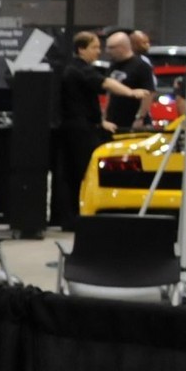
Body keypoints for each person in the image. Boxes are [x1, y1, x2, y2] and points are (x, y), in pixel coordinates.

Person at [50, 30, 114, 230]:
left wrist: (101, 121)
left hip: (79, 126)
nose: (99, 51)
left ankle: (72, 217)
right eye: (95, 47)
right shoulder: (78, 70)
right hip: (78, 130)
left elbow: (85, 101)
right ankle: (74, 218)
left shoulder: (75, 70)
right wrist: (131, 92)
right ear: (81, 49)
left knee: (72, 173)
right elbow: (103, 84)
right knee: (79, 173)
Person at [100, 30, 156, 132]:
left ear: (122, 48)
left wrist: (140, 117)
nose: (107, 51)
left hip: (132, 119)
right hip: (114, 120)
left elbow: (149, 93)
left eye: (111, 48)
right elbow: (109, 92)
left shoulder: (142, 66)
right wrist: (105, 114)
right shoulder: (113, 65)